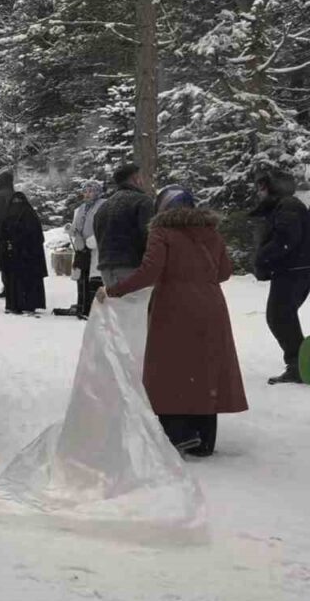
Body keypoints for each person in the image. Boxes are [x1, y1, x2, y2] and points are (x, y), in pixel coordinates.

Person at [98, 186, 248, 455]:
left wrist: (114, 290)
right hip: (211, 306)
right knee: (204, 365)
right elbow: (225, 272)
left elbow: (150, 272)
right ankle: (204, 437)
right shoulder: (210, 231)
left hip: (174, 306)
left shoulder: (162, 231)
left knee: (170, 366)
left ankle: (178, 433)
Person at [249, 169, 310, 384]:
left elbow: (286, 238)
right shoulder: (284, 206)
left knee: (279, 317)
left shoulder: (288, 205)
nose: (259, 192)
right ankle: (299, 364)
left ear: (275, 186)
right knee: (282, 316)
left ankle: (298, 366)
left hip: (294, 271)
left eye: (262, 187)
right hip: (295, 270)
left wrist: (262, 257)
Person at [94, 162, 155, 287]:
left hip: (106, 271)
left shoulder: (103, 207)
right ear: (135, 178)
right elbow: (149, 236)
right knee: (140, 300)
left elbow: (98, 237)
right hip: (133, 267)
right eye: (141, 177)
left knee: (117, 300)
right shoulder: (143, 201)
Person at [0, 192, 48, 314]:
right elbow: (2, 236)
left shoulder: (28, 215)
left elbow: (37, 237)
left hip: (27, 256)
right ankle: (16, 304)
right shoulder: (12, 216)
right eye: (14, 202)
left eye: (19, 202)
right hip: (14, 255)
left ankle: (26, 304)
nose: (17, 205)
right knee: (14, 280)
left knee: (24, 280)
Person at [61, 182, 105, 318]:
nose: (87, 194)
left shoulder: (103, 206)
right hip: (82, 251)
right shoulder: (80, 209)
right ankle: (82, 308)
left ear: (97, 192)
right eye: (85, 191)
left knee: (95, 281)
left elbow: (106, 227)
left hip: (97, 250)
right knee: (82, 279)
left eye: (90, 191)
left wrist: (95, 239)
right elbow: (76, 227)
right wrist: (71, 230)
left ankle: (94, 311)